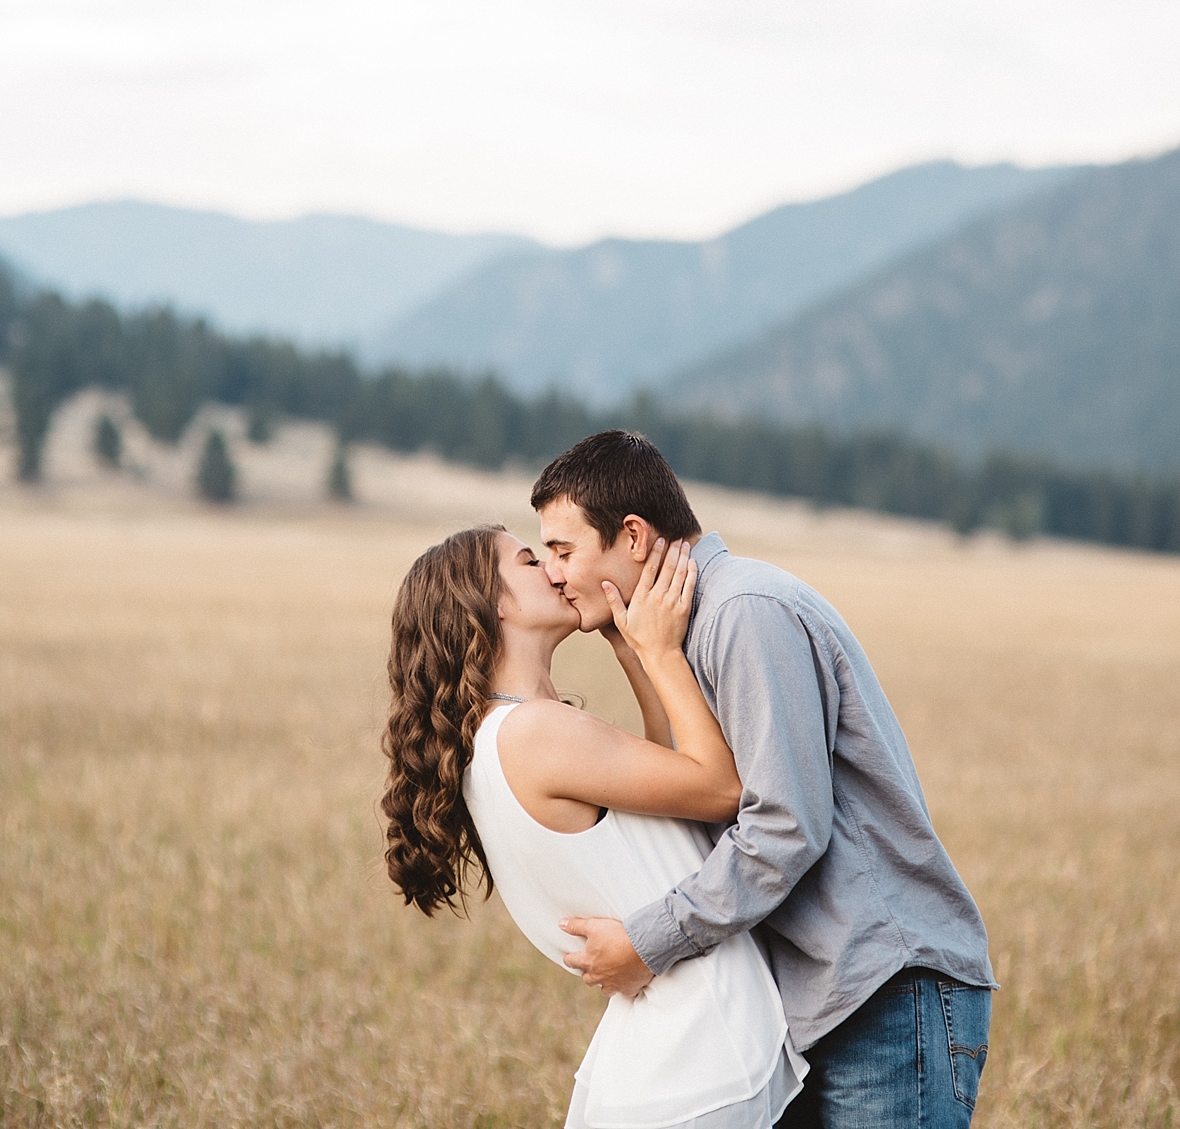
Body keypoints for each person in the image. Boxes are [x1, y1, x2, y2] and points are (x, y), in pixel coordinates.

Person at [532, 430, 995, 1129]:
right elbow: (690, 795)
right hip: (824, 1003)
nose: (553, 574)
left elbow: (784, 827)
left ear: (632, 536)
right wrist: (638, 648)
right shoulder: (684, 633)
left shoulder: (743, 612)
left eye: (564, 551)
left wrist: (647, 942)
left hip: (883, 993)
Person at [382, 522, 807, 1129]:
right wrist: (661, 651)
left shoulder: (494, 739)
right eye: (531, 561)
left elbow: (676, 789)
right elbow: (721, 788)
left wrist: (629, 647)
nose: (556, 570)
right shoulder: (536, 734)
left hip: (653, 1072)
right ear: (492, 604)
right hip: (703, 1063)